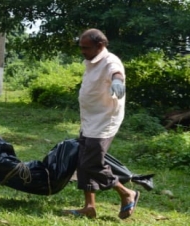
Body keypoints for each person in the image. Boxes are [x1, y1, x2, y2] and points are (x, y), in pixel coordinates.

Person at [64, 28, 139, 219]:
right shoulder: (91, 61)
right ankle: (89, 206)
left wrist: (118, 83)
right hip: (89, 119)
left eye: (86, 47)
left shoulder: (110, 60)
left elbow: (117, 73)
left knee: (92, 163)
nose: (82, 51)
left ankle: (126, 193)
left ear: (100, 45)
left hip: (105, 121)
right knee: (83, 162)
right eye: (81, 47)